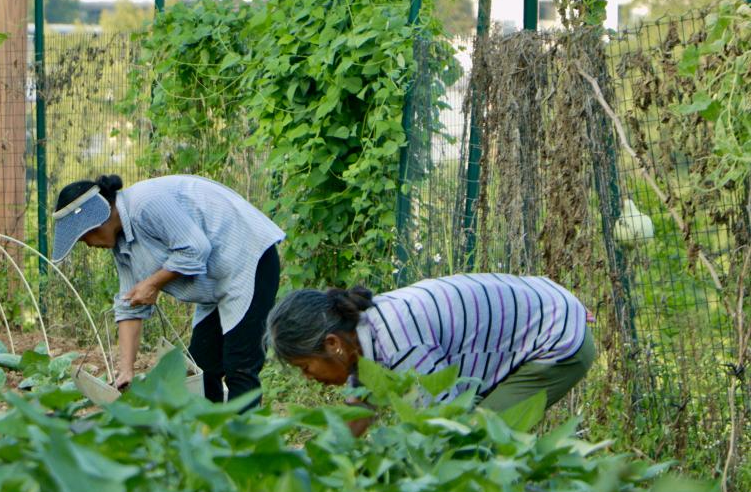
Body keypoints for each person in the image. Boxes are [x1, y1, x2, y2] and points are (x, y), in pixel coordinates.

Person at [52, 173, 284, 404]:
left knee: (240, 365)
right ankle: (207, 435)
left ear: (96, 221)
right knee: (201, 367)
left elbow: (195, 249)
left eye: (85, 238)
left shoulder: (145, 204)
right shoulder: (121, 244)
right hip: (216, 279)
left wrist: (153, 284)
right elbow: (129, 305)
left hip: (247, 259)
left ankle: (242, 438)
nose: (90, 245)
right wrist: (126, 371)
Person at [266, 273, 595, 432]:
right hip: (545, 305)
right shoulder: (363, 335)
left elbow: (443, 424)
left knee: (477, 442)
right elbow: (360, 409)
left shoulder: (400, 342)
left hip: (558, 339)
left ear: (333, 344)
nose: (308, 378)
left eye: (305, 367)